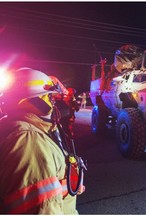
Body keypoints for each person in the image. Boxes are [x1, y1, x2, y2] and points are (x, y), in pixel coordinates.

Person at [0, 68, 85, 214]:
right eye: (49, 97)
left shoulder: (15, 128)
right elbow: (43, 207)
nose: (53, 104)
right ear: (33, 100)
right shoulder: (28, 140)